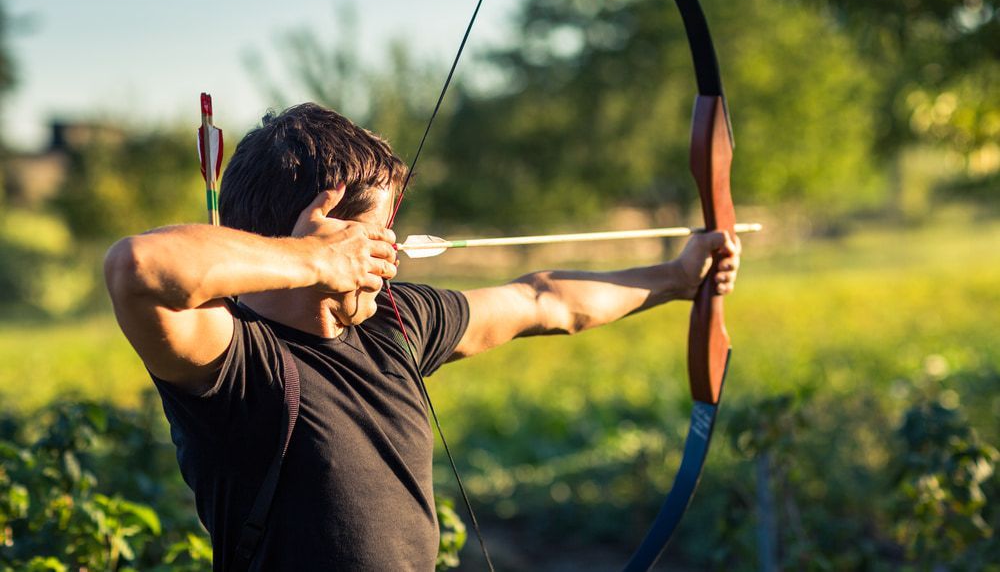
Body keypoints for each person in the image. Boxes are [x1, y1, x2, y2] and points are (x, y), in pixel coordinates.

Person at [104, 102, 741, 571]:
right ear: (327, 234)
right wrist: (315, 262)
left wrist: (678, 278)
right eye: (378, 236)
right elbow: (137, 267)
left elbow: (545, 301)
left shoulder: (393, 323)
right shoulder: (233, 359)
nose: (392, 256)